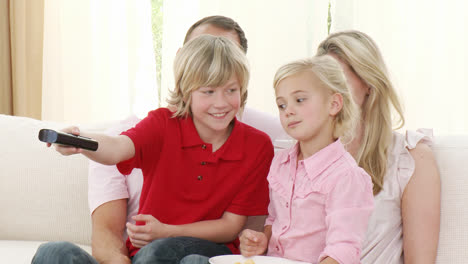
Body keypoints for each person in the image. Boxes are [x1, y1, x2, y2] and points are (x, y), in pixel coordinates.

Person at [34, 35, 274, 264]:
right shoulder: (163, 124)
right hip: (145, 256)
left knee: (183, 256)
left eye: (231, 90)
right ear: (185, 91)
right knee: (54, 252)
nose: (221, 103)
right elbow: (118, 148)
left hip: (206, 251)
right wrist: (81, 141)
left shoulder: (257, 145)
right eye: (208, 91)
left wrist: (166, 232)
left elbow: (231, 227)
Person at [316, 30, 440, 263]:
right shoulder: (298, 157)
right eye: (320, 79)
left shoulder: (410, 157)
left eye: (337, 78)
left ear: (369, 84)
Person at [237, 55, 374, 263]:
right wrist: (263, 240)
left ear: (334, 104)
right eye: (282, 105)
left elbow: (343, 249)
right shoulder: (280, 163)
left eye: (299, 100)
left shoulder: (347, 177)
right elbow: (274, 221)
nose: (289, 111)